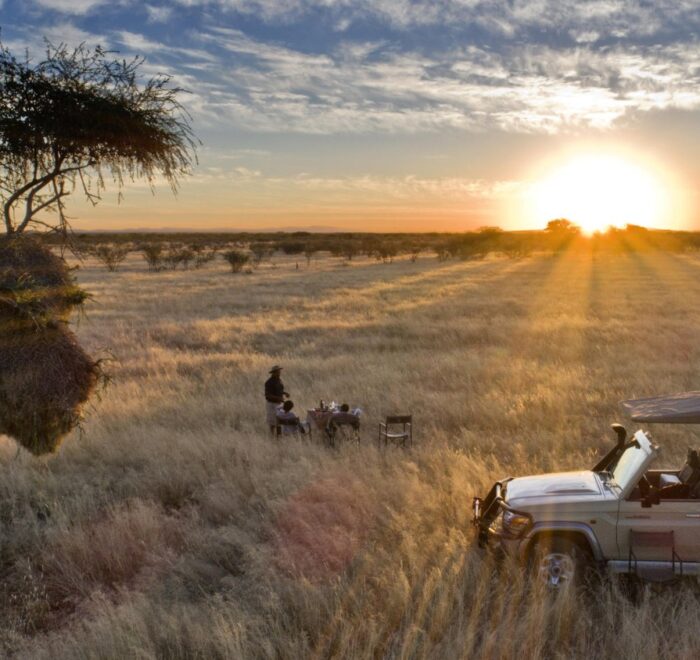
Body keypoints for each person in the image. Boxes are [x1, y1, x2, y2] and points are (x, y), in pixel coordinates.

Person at [265, 365, 289, 434]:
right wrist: (278, 398)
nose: (280, 373)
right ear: (274, 373)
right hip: (272, 404)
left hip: (279, 404)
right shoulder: (269, 382)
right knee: (272, 423)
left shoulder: (279, 380)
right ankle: (272, 438)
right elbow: (267, 395)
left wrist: (285, 393)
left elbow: (279, 390)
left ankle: (279, 438)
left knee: (279, 422)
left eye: (280, 372)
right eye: (278, 372)